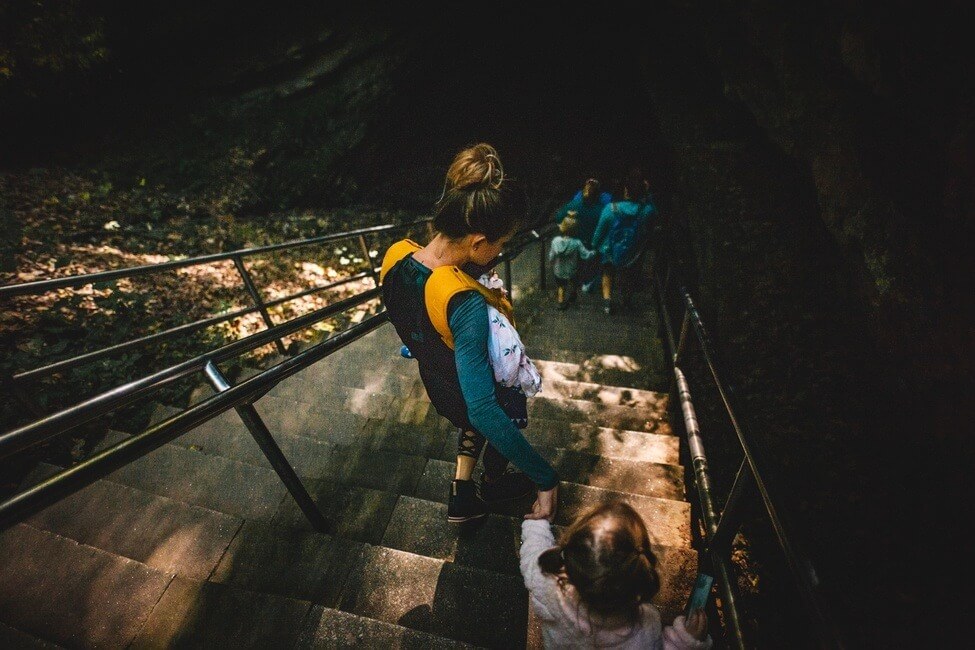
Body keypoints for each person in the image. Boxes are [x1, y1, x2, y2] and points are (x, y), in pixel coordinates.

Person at [380, 143, 559, 524]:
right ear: (478, 241)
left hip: (436, 381)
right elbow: (482, 408)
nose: (500, 251)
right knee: (499, 414)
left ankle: (473, 486)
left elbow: (417, 314)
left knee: (476, 411)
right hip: (469, 397)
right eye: (501, 243)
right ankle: (494, 484)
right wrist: (546, 479)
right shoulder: (465, 304)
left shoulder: (396, 256)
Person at [520, 501, 713, 649]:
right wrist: (685, 641)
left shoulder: (545, 580)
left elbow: (532, 550)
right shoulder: (644, 630)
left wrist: (537, 523)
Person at [590, 167, 656, 314]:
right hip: (633, 252)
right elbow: (655, 214)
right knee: (630, 276)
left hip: (609, 250)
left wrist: (594, 245)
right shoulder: (646, 211)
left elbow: (599, 232)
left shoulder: (610, 208)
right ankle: (626, 300)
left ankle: (607, 302)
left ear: (625, 190)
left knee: (607, 273)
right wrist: (648, 193)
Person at [547, 212, 595, 310]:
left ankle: (560, 302)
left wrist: (551, 262)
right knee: (574, 282)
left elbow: (551, 255)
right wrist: (594, 252)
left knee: (561, 286)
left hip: (558, 269)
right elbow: (585, 255)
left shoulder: (555, 241)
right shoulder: (577, 243)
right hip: (572, 269)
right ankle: (573, 294)